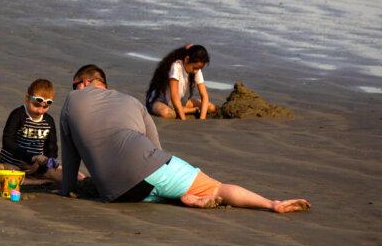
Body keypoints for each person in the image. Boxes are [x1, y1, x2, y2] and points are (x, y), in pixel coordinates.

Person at [60, 64, 309, 213]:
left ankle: (183, 197)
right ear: (102, 84)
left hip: (115, 192)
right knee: (217, 187)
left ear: (81, 83)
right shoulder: (132, 102)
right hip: (148, 170)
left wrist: (67, 189)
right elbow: (156, 149)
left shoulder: (71, 102)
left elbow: (70, 155)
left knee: (154, 184)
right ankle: (272, 204)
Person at [0, 78, 63, 187]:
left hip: (36, 167)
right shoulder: (18, 115)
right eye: (36, 105)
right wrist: (32, 157)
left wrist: (44, 163)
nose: (40, 110)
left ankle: (28, 181)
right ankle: (38, 182)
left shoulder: (49, 121)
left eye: (45, 107)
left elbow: (52, 148)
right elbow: (7, 142)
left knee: (67, 178)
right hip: (12, 165)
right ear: (27, 98)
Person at [145, 45, 216, 120]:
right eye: (194, 68)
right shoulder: (176, 67)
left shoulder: (197, 70)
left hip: (179, 101)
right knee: (168, 114)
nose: (196, 71)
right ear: (187, 59)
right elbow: (174, 95)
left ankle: (182, 110)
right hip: (160, 101)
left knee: (211, 107)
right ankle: (188, 110)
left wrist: (202, 118)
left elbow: (204, 95)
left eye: (198, 69)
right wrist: (183, 119)